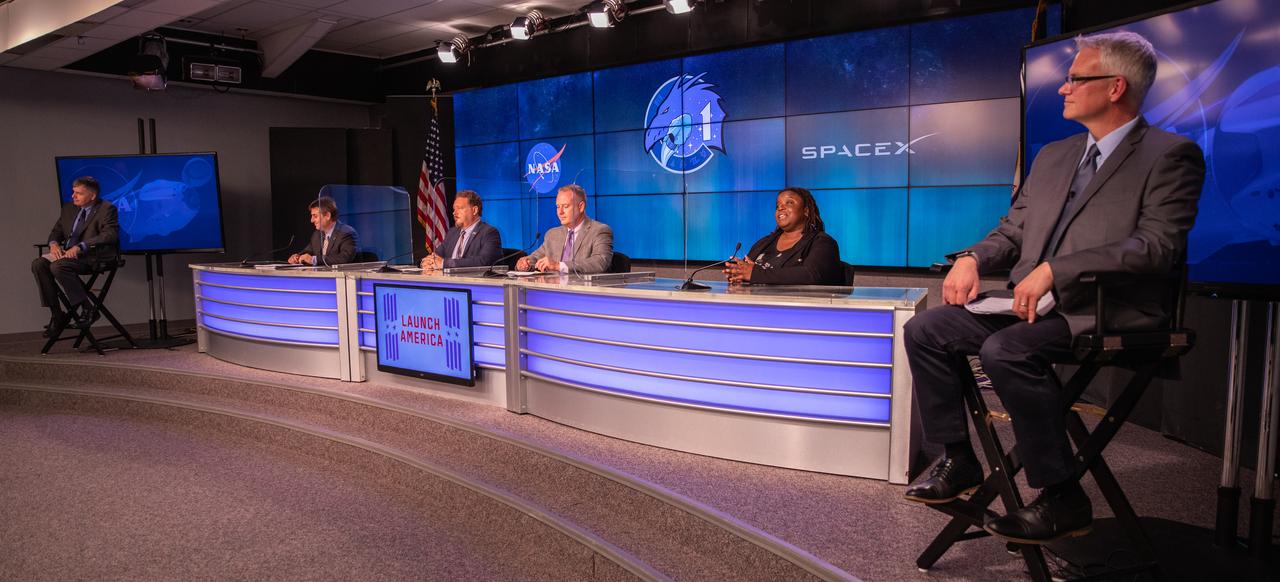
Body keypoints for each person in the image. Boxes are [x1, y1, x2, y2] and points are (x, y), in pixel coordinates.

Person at [901, 31, 1205, 544]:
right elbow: (1013, 229)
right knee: (928, 329)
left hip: (1107, 312)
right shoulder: (1055, 156)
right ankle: (956, 458)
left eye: (1074, 79)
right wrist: (973, 257)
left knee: (1007, 350)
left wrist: (1058, 270)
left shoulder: (1170, 155)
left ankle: (1062, 494)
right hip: (1032, 305)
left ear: (1114, 87)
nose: (1062, 88)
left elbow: (1158, 247)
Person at [32, 176, 119, 332]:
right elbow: (56, 232)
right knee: (38, 264)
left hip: (91, 256)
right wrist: (53, 245)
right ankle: (57, 314)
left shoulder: (107, 208)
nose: (73, 196)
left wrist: (81, 246)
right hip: (67, 255)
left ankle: (88, 309)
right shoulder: (68, 209)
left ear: (92, 196)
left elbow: (110, 235)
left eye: (78, 193)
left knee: (58, 267)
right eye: (73, 192)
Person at [722, 187, 844, 285]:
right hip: (757, 307)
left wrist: (756, 274)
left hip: (798, 311)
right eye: (777, 205)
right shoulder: (764, 243)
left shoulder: (822, 242)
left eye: (789, 202)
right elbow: (747, 271)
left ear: (806, 211)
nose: (780, 207)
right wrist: (737, 275)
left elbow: (812, 275)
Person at [516, 184, 613, 275]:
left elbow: (600, 262)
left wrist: (558, 266)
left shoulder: (599, 230)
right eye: (558, 207)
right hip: (552, 290)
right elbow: (536, 257)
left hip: (581, 291)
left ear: (581, 207)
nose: (560, 212)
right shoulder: (552, 234)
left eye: (565, 206)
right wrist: (525, 263)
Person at [420, 190, 502, 270]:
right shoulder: (452, 233)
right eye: (454, 209)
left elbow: (484, 261)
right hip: (447, 281)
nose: (454, 213)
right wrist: (426, 262)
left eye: (459, 208)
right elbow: (436, 255)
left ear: (474, 210)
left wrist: (444, 263)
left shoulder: (489, 232)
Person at [288, 196, 358, 266]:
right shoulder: (317, 234)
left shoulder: (346, 233)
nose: (311, 220)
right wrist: (297, 257)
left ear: (327, 215)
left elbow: (344, 258)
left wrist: (314, 260)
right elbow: (308, 251)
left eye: (315, 216)